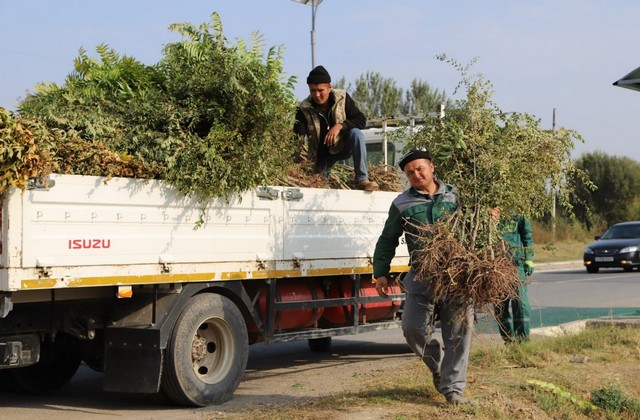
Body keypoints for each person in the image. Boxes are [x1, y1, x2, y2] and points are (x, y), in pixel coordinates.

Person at [372, 149, 474, 405]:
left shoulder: (458, 195)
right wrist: (380, 273)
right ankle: (436, 363)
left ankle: (453, 389)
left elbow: (476, 225)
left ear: (431, 166)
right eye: (410, 172)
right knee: (412, 329)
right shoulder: (401, 203)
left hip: (457, 274)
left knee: (459, 333)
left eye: (420, 169)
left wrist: (491, 217)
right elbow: (388, 239)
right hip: (421, 275)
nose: (416, 174)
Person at [293, 65, 379, 191]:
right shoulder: (303, 109)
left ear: (329, 88)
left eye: (320, 90)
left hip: (343, 144)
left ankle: (362, 179)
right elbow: (297, 139)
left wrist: (340, 126)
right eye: (312, 90)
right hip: (321, 152)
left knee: (356, 133)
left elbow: (361, 120)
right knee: (319, 186)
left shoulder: (342, 98)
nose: (316, 95)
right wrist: (293, 165)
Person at [491, 208, 534, 343]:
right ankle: (509, 340)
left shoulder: (518, 210)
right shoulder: (487, 209)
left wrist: (529, 258)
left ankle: (523, 341)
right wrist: (490, 220)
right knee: (499, 306)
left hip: (516, 264)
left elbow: (527, 236)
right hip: (494, 265)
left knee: (521, 304)